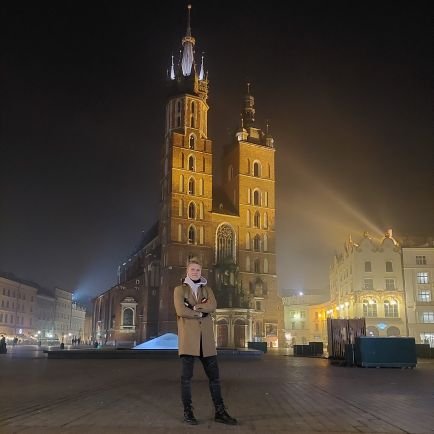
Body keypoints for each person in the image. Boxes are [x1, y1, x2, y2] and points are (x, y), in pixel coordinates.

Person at [173, 257, 237, 426]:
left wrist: (193, 307)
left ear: (201, 272)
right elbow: (180, 310)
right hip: (189, 340)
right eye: (193, 269)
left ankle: (220, 412)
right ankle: (188, 412)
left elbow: (213, 306)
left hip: (206, 340)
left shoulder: (207, 289)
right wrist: (201, 312)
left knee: (215, 378)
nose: (195, 272)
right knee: (186, 379)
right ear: (187, 271)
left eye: (198, 270)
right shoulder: (179, 289)